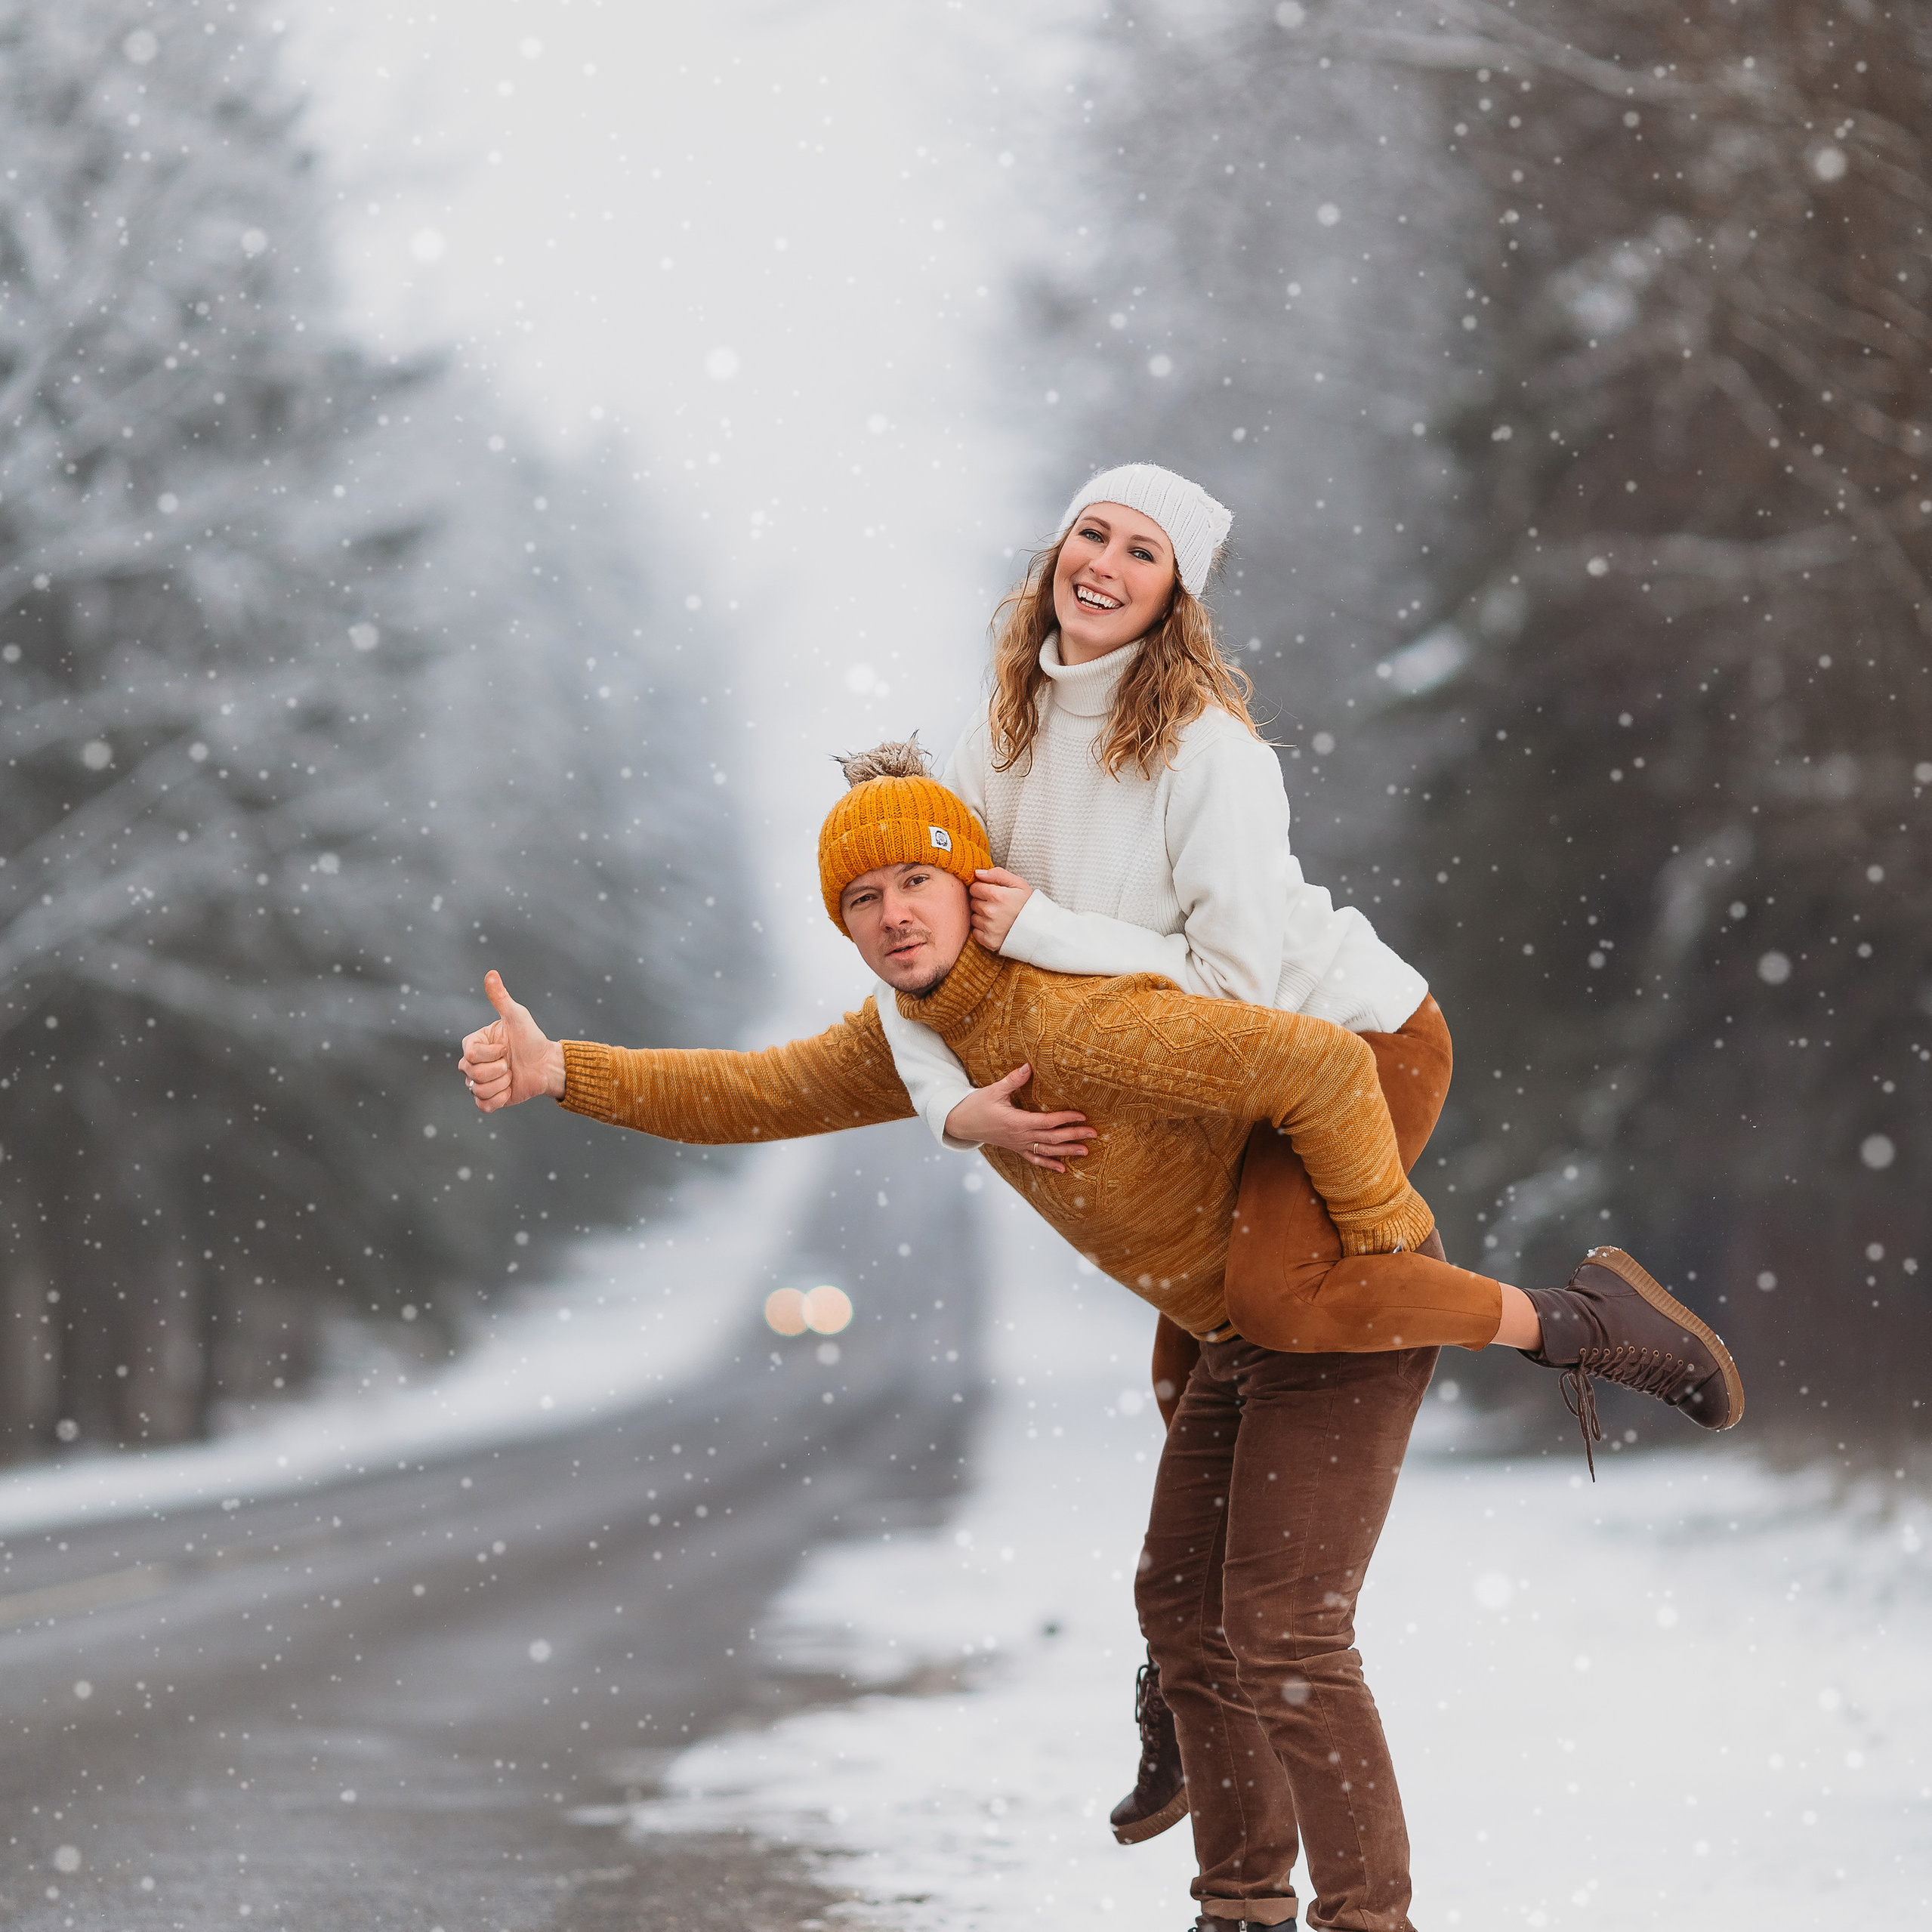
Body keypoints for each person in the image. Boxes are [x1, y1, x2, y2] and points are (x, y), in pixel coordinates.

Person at [458, 748, 1743, 1932]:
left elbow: (1328, 1070)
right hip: (1234, 1324)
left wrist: (1380, 1248)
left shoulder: (1076, 1012)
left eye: (919, 878)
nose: (895, 910)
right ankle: (1238, 1908)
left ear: (974, 886)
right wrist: (562, 1068)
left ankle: (1370, 1910)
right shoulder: (911, 1040)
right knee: (1184, 1609)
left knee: (1286, 1627)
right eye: (863, 896)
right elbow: (746, 1093)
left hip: (1336, 1306)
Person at [870, 462, 1542, 1846]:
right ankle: (1193, 1673)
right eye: (1090, 534)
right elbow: (921, 957)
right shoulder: (987, 740)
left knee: (1283, 1311)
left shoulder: (1207, 751)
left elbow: (1239, 982)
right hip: (1212, 1090)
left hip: (1346, 1039)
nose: (1104, 564)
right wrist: (956, 1101)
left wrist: (1049, 929)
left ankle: (1572, 1325)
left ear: (1179, 592)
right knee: (1200, 1380)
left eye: (1142, 551)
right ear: (1056, 547)